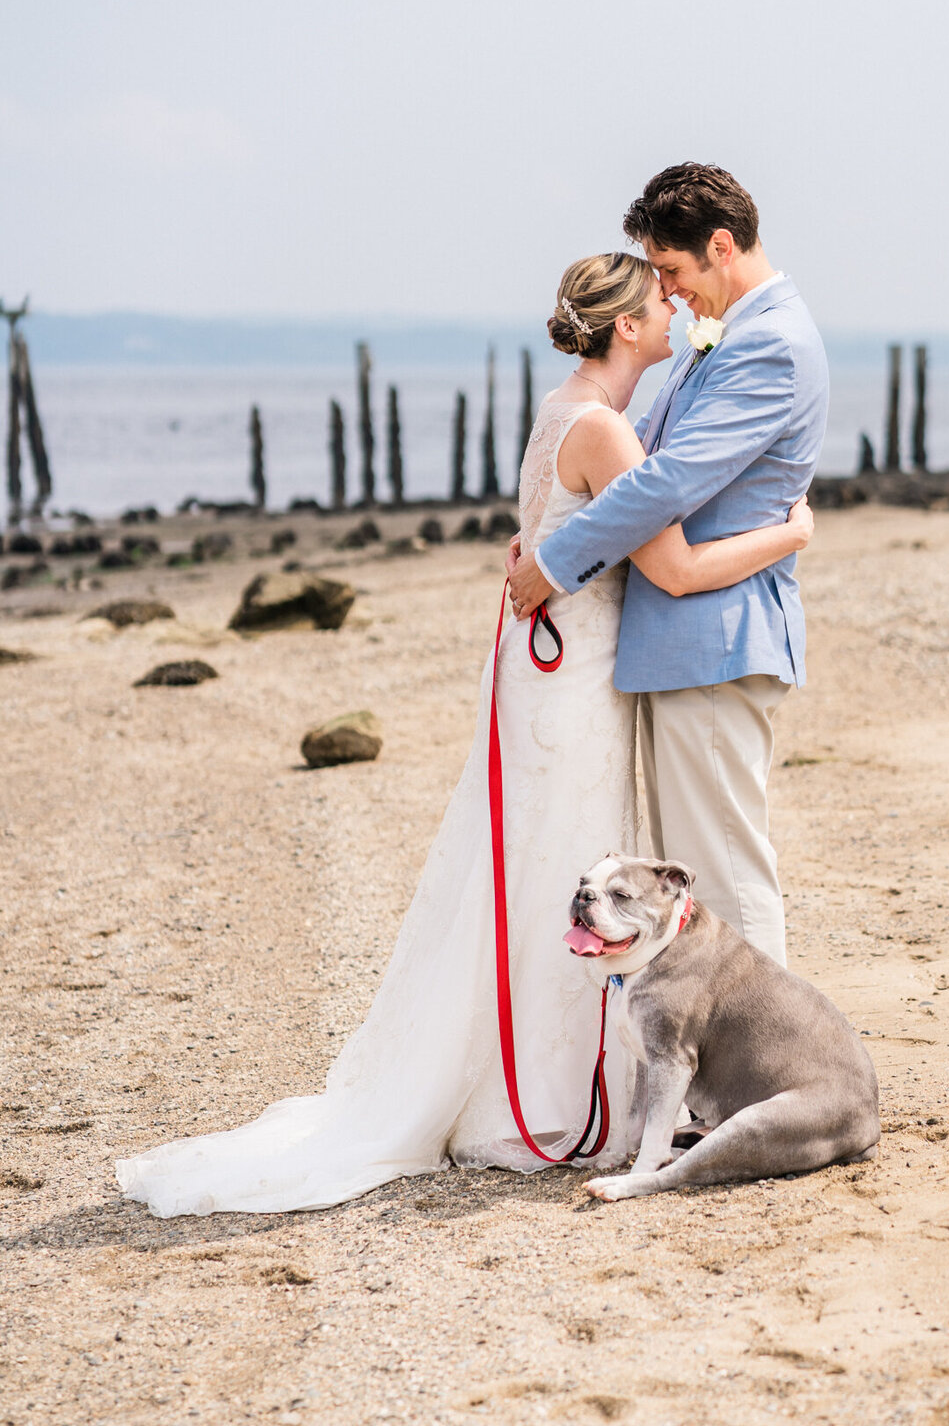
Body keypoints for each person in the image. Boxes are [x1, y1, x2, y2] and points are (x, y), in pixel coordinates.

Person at [115, 249, 813, 1217]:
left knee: (532, 870)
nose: (674, 312)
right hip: (578, 683)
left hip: (551, 667)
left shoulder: (562, 406)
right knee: (560, 872)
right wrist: (792, 532)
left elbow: (556, 534)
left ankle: (524, 1079)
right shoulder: (606, 430)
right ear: (627, 327)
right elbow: (678, 569)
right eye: (659, 303)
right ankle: (555, 1100)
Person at [509, 163, 829, 968]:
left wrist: (556, 560)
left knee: (724, 869)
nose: (672, 294)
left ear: (722, 246)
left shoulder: (771, 347)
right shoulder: (723, 336)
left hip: (714, 641)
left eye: (676, 273)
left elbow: (668, 480)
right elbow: (642, 455)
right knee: (695, 870)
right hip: (682, 642)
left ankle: (769, 1066)